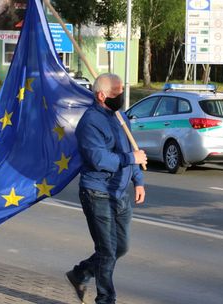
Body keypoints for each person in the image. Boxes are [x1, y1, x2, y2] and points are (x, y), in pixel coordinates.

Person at [66, 73, 147, 304]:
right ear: (102, 95)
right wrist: (132, 158)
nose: (121, 96)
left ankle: (81, 273)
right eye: (116, 92)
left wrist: (138, 180)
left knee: (120, 247)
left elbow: (132, 148)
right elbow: (99, 159)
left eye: (122, 91)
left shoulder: (119, 116)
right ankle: (105, 299)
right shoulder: (90, 122)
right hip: (97, 192)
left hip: (119, 193)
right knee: (107, 251)